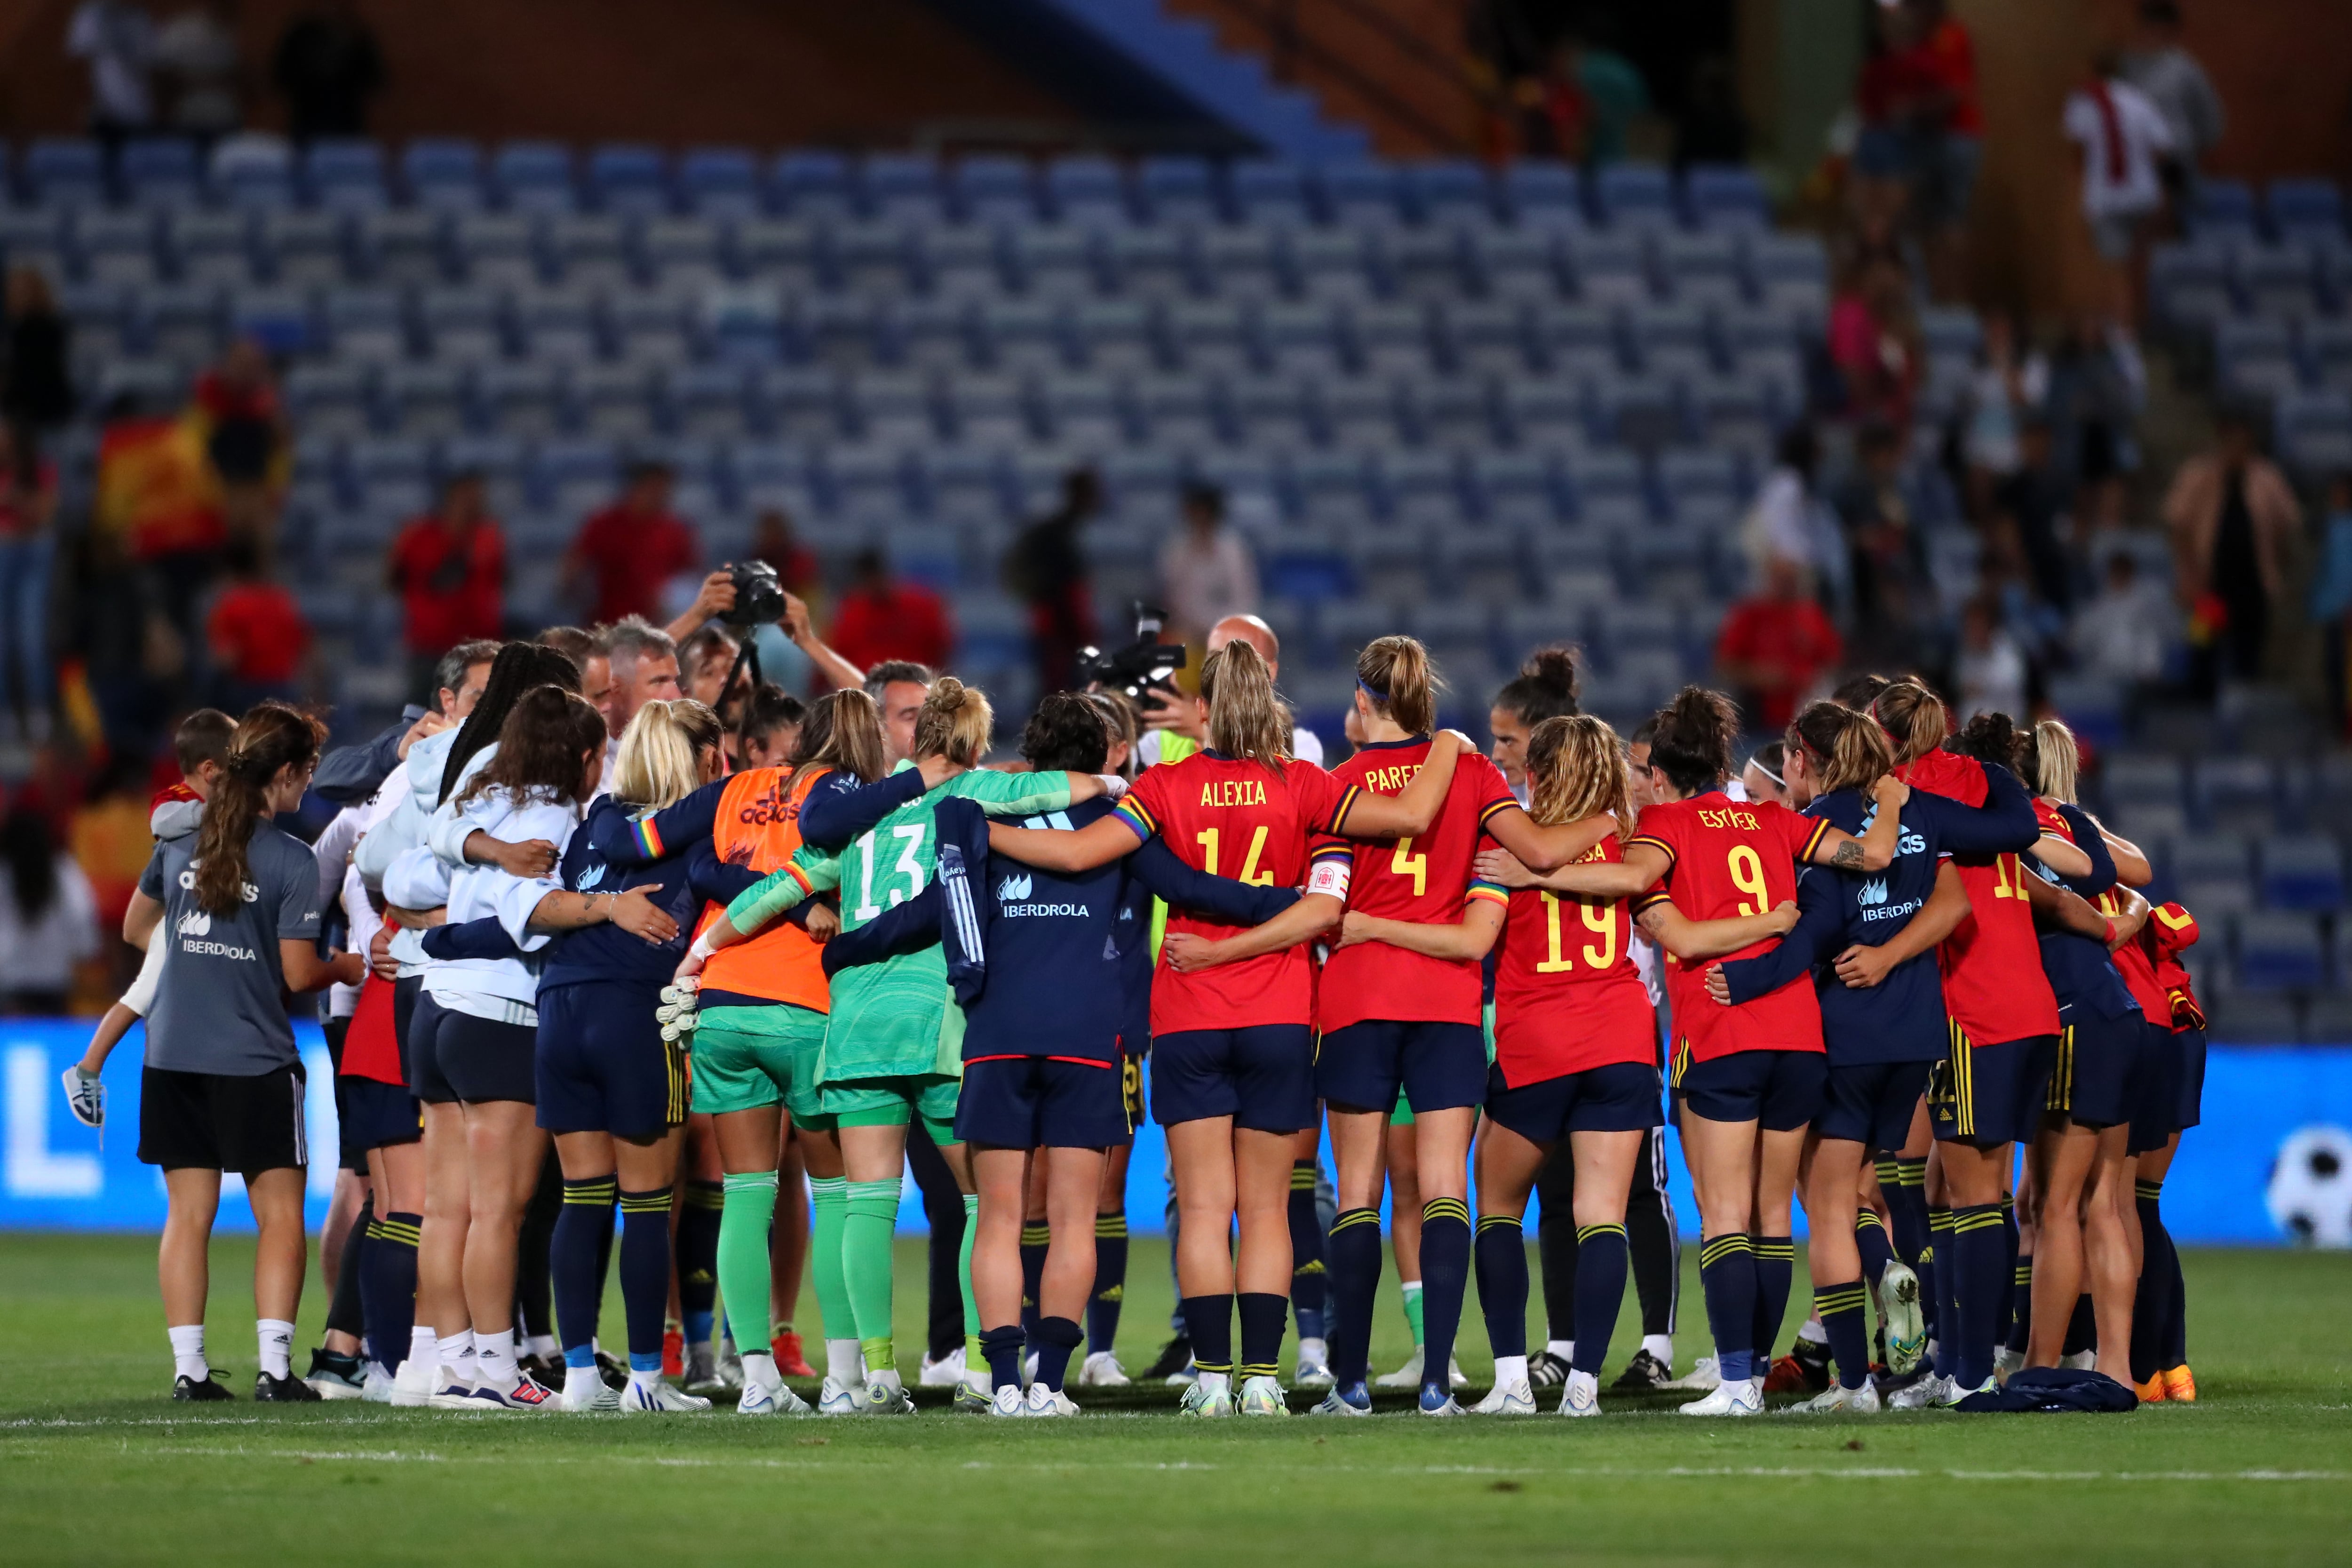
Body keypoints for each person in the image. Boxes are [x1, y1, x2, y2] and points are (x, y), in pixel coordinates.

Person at [986, 642, 1471, 1417]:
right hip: (1281, 1013)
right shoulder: (1306, 784)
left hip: (1189, 1014)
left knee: (1206, 1207)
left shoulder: (1165, 785)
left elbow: (1078, 852)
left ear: (1204, 710)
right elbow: (1414, 815)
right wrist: (1447, 742)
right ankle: (1262, 1379)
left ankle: (1212, 1378)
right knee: (1270, 1207)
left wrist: (983, 830)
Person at [818, 693, 1299, 1416]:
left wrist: (846, 948)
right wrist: (1281, 904)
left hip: (995, 1040)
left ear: (1033, 760)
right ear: (1100, 756)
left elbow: (923, 914)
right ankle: (1049, 1382)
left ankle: (1004, 1384)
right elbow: (1192, 889)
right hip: (1087, 1040)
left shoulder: (986, 817)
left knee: (1002, 1215)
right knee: (1077, 1220)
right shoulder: (1122, 826)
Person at [682, 678, 1121, 1413]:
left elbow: (777, 889)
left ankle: (871, 1377)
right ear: (976, 745)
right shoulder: (977, 792)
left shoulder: (868, 818)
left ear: (914, 744)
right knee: (987, 1201)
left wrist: (700, 952)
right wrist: (1115, 777)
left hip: (855, 1024)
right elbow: (1058, 787)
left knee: (866, 1202)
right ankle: (988, 1372)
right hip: (940, 1021)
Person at [1272, 637, 1644, 1419]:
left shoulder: (1338, 785)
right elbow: (1537, 851)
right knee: (1447, 1190)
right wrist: (1615, 811)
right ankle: (1439, 1380)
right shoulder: (1475, 775)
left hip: (1360, 999)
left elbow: (1328, 903)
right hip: (1446, 1004)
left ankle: (1351, 1383)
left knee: (1362, 1195)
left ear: (1367, 701)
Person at [1511, 686, 1904, 1417]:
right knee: (1772, 1218)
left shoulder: (1662, 823)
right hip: (1799, 1036)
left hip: (1722, 1031)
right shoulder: (1775, 817)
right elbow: (1875, 852)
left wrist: (1538, 873)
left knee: (1724, 1216)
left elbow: (1650, 902)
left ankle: (1735, 1384)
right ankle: (1751, 1372)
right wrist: (1890, 796)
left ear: (1658, 773)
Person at [1708, 700, 2039, 1409]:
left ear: (1803, 757)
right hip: (1917, 1039)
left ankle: (1855, 1381)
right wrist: (1995, 768)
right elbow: (1975, 878)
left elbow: (1814, 931)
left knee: (1826, 1206)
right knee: (1883, 1189)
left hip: (1845, 1035)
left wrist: (1749, 978)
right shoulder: (1921, 812)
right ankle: (1929, 1329)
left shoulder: (1815, 825)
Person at [1462, 715, 1793, 1416]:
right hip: (1620, 1038)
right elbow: (1669, 924)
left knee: (1494, 1205)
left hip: (1536, 1038)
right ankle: (1583, 1386)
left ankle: (1513, 1380)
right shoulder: (1633, 840)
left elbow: (1480, 934)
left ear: (1537, 773)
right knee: (1602, 1213)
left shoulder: (1508, 840)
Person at [588, 691, 875, 1411]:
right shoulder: (854, 802)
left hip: (723, 1007)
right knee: (834, 1194)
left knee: (746, 1197)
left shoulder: (729, 791)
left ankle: (756, 1381)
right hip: (810, 1008)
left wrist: (599, 809)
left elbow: (632, 843)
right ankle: (844, 1379)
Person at [125, 701, 365, 1400]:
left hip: (172, 1052)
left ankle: (189, 1370)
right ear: (283, 774)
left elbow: (138, 927)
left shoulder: (178, 840)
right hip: (255, 1060)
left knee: (188, 1216)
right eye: (307, 774)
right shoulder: (290, 860)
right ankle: (274, 1369)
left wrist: (197, 954)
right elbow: (297, 975)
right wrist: (344, 969)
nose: (307, 788)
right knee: (280, 1216)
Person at [2015, 720, 2153, 1386]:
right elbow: (2139, 872)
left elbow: (2062, 909)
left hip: (2070, 1011)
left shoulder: (2008, 829)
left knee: (2055, 1205)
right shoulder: (2076, 823)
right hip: (2118, 1010)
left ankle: (2041, 1364)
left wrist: (2108, 926)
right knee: (2106, 1200)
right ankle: (2119, 1368)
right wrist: (2130, 918)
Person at [61, 709, 233, 1123]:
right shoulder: (175, 799)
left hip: (192, 917)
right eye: (235, 766)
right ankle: (87, 1068)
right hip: (176, 920)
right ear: (210, 770)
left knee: (163, 992)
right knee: (143, 991)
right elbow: (162, 822)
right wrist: (221, 816)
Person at [2163, 409, 2299, 690]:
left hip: (2251, 583)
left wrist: (2277, 563)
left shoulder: (2266, 477)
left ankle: (2245, 703)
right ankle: (2201, 702)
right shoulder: (2199, 474)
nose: (2238, 450)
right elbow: (2177, 522)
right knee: (2203, 645)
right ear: (2222, 442)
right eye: (2232, 443)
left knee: (2249, 652)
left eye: (2244, 444)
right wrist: (2191, 570)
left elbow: (2288, 522)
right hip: (2210, 583)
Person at [2063, 55, 2175, 321]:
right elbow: (2162, 147)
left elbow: (2076, 150)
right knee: (2139, 265)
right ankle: (2140, 321)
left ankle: (2124, 328)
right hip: (2143, 194)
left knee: (2114, 268)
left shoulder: (2085, 101)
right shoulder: (2139, 100)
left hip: (2107, 197)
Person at [1136, 613, 1324, 768]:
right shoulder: (1157, 744)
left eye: (1239, 661)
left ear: (1271, 672)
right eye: (1214, 658)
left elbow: (1280, 797)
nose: (1223, 670)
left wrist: (1207, 731)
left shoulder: (1301, 746)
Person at [388, 473, 506, 703]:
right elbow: (418, 579)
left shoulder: (489, 536)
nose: (476, 504)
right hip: (431, 646)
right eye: (468, 498)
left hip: (479, 649)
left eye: (478, 499)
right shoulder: (422, 536)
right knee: (423, 718)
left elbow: (501, 579)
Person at [1713, 556, 1844, 734]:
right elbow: (1726, 664)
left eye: (1790, 579)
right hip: (1759, 712)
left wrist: (1813, 682)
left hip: (1805, 713)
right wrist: (1760, 676)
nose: (1785, 584)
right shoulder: (1750, 614)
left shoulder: (1811, 614)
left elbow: (1833, 659)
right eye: (1780, 578)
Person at [564, 462, 698, 629]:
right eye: (653, 488)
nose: (660, 495)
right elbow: (574, 567)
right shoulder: (605, 524)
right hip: (608, 625)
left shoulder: (675, 530)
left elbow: (690, 578)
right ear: (636, 488)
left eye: (664, 489)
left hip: (656, 629)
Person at [1004, 467, 1101, 697]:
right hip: (1058, 630)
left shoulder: (1065, 532)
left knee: (1063, 690)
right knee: (1057, 691)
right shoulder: (1056, 535)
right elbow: (1066, 591)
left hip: (1063, 630)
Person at [2120, 1, 2224, 196]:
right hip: (2134, 167)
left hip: (2176, 163)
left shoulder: (2185, 69)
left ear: (2170, 31)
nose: (2152, 34)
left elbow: (2210, 121)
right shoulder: (2126, 67)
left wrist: (2186, 150)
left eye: (2160, 29)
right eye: (2148, 27)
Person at [0, 809, 100, 1013]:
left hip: (9, 984)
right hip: (53, 985)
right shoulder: (66, 873)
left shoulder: (5, 874)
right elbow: (85, 935)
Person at [0, 422, 60, 744]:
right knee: (2, 642)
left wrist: (15, 501)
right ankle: (5, 713)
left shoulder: (39, 468)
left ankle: (38, 711)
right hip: (3, 554)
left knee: (32, 639)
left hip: (33, 555)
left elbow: (46, 512)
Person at [205, 536, 312, 710]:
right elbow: (305, 648)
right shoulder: (282, 600)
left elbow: (228, 658)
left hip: (249, 692)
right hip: (285, 690)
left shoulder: (230, 605)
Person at [1158, 482, 1259, 646]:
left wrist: (1219, 632)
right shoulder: (1176, 550)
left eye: (1203, 513)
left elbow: (1244, 598)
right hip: (1185, 636)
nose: (1199, 519)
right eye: (1194, 513)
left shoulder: (1233, 550)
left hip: (1226, 639)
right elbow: (1172, 597)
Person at [828, 549, 953, 677]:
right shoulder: (851, 612)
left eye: (876, 576)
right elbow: (840, 656)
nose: (873, 584)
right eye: (868, 579)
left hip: (915, 686)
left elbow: (942, 647)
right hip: (867, 689)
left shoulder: (921, 606)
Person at [270, 0, 383, 141]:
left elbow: (376, 78)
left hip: (348, 123)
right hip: (306, 122)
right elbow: (280, 76)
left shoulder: (355, 34)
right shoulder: (301, 35)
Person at [2072, 550, 2175, 688]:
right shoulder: (2097, 607)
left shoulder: (2146, 603)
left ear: (2130, 574)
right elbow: (2079, 642)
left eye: (2122, 572)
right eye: (2115, 573)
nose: (2118, 578)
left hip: (2138, 677)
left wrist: (2149, 671)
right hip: (2102, 674)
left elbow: (2154, 641)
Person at [69, 0, 157, 151]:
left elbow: (153, 65)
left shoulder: (140, 17)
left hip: (139, 111)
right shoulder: (91, 15)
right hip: (104, 113)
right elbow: (78, 66)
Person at [153, 0, 242, 141]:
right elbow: (162, 76)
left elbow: (239, 77)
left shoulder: (230, 31)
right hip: (188, 119)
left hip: (225, 120)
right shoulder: (182, 29)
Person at [4, 268, 75, 437]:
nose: (16, 296)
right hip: (24, 411)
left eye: (22, 291)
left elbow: (34, 373)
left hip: (43, 412)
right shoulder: (14, 328)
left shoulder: (45, 329)